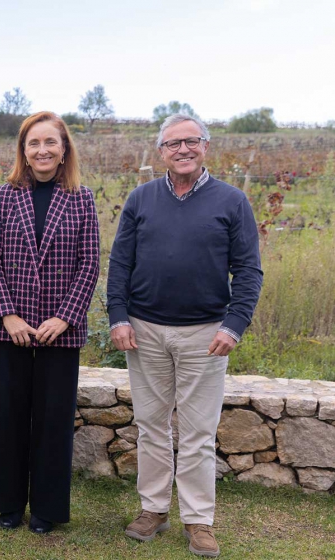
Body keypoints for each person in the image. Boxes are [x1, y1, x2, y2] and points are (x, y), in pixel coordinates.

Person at [109, 114, 262, 558]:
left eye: (191, 142)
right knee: (151, 426)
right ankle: (153, 509)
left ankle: (198, 520)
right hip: (145, 330)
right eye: (172, 144)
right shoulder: (142, 198)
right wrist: (118, 316)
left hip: (206, 334)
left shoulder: (232, 201)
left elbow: (249, 270)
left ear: (205, 147)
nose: (182, 150)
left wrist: (235, 324)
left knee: (197, 431)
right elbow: (120, 264)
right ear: (161, 152)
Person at [0, 111, 100, 534]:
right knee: (7, 419)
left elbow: (90, 265)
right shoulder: (3, 196)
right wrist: (8, 314)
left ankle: (47, 509)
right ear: (23, 151)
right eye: (34, 143)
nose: (42, 150)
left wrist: (65, 318)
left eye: (50, 142)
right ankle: (8, 503)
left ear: (64, 148)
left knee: (53, 423)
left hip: (59, 335)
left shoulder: (82, 198)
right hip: (8, 330)